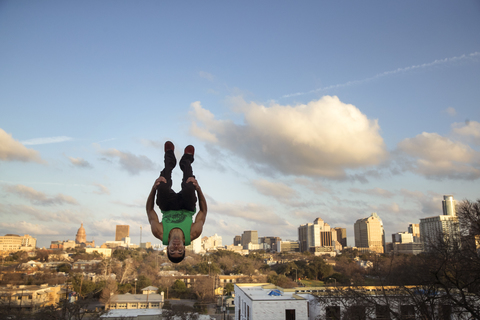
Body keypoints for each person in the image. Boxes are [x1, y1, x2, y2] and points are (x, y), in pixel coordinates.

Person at [146, 141, 207, 263]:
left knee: (162, 186)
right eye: (179, 251)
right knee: (190, 186)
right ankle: (186, 160)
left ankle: (170, 157)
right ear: (184, 248)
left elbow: (150, 210)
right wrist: (198, 188)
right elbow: (203, 211)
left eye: (172, 251)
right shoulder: (193, 233)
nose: (176, 248)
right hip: (186, 206)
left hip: (168, 207)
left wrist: (154, 187)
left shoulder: (159, 232)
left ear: (167, 248)